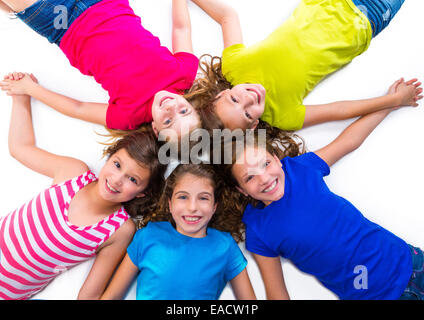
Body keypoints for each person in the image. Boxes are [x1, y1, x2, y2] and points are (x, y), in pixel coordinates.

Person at [219, 79, 424, 299]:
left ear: (277, 160)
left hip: (409, 260)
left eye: (266, 163)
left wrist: (391, 103)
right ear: (242, 190)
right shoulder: (259, 231)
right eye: (250, 177)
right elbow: (276, 292)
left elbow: (349, 141)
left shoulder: (299, 169)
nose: (265, 178)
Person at [0, 73, 165, 300]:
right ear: (109, 157)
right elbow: (21, 147)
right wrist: (21, 98)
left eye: (133, 180)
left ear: (143, 192)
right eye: (117, 165)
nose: (117, 180)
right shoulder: (73, 173)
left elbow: (87, 297)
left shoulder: (118, 230)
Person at [188, 0, 422, 132]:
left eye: (234, 100)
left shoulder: (233, 67)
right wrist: (394, 101)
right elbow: (340, 110)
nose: (249, 99)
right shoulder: (283, 116)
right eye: (247, 113)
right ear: (253, 125)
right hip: (367, 16)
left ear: (222, 93)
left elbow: (228, 16)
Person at [0, 0, 200, 139]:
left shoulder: (129, 116)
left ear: (156, 129)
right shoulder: (185, 74)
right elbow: (181, 29)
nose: (171, 108)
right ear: (192, 105)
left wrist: (30, 89)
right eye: (183, 111)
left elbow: (78, 108)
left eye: (168, 121)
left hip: (62, 23)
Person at [101, 163, 256, 300]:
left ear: (214, 206)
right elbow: (112, 296)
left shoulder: (225, 246)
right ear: (170, 204)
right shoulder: (147, 236)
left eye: (203, 198)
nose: (192, 207)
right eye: (183, 197)